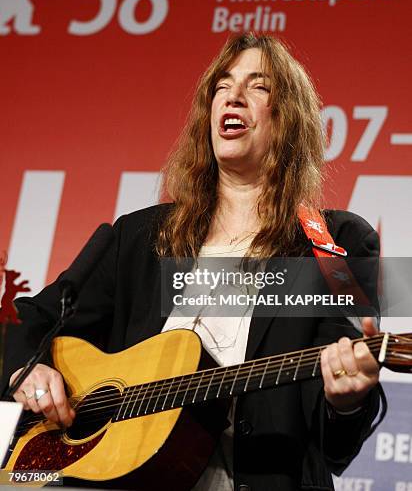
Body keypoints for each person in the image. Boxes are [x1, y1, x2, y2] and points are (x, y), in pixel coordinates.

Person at [4, 33, 384, 490]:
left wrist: (348, 401)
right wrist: (29, 367)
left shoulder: (336, 242)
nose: (234, 97)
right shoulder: (139, 238)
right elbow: (32, 319)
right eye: (222, 86)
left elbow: (335, 439)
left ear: (288, 121)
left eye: (258, 87)